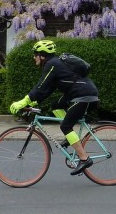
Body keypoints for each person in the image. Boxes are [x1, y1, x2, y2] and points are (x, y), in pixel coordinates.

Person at [9, 40, 100, 176]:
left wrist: (22, 102)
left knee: (65, 126)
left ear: (42, 55)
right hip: (78, 94)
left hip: (84, 95)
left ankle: (84, 159)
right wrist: (31, 103)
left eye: (35, 55)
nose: (34, 58)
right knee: (55, 106)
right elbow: (47, 90)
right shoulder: (54, 64)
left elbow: (40, 87)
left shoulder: (52, 64)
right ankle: (71, 138)